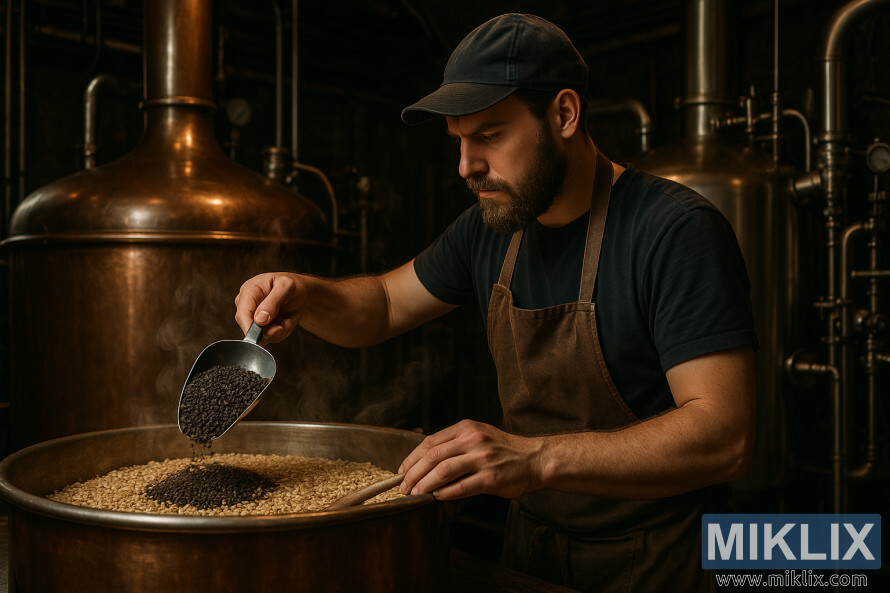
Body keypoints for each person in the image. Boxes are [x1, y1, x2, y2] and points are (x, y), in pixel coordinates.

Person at [235, 13, 757, 592]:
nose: (466, 166)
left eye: (490, 135)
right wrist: (307, 294)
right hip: (529, 549)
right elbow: (383, 303)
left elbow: (724, 435)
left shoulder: (674, 230)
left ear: (564, 114)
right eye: (459, 140)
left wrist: (534, 459)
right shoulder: (490, 228)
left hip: (659, 561)